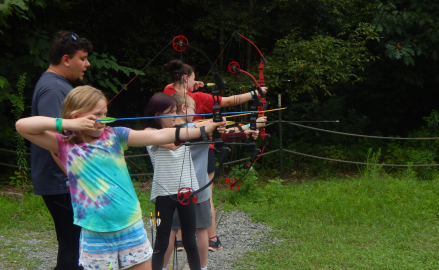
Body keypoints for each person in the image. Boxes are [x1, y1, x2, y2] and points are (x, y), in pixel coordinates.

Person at [16, 86, 225, 270]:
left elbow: (161, 135)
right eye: (98, 114)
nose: (104, 119)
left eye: (106, 113)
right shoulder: (63, 145)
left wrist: (206, 128)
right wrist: (69, 124)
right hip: (95, 233)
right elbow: (22, 126)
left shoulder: (115, 135)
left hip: (130, 227)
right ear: (77, 116)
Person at [163, 59, 267, 251]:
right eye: (193, 78)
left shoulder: (168, 94)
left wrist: (190, 84)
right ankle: (212, 239)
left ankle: (178, 240)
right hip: (202, 150)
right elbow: (229, 101)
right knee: (205, 196)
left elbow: (173, 86)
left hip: (179, 151)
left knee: (180, 193)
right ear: (186, 77)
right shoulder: (200, 98)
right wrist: (255, 93)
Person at [157, 93, 261, 270]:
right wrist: (248, 128)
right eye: (193, 109)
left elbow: (223, 134)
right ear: (184, 109)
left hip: (175, 190)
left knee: (170, 232)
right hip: (197, 190)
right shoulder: (194, 128)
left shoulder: (164, 131)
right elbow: (220, 132)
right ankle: (202, 268)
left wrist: (247, 130)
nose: (195, 113)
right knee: (201, 230)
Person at [30, 30, 92, 270]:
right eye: (83, 58)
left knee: (75, 243)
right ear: (66, 59)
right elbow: (57, 140)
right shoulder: (55, 89)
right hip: (62, 181)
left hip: (64, 180)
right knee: (72, 246)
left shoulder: (57, 84)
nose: (87, 64)